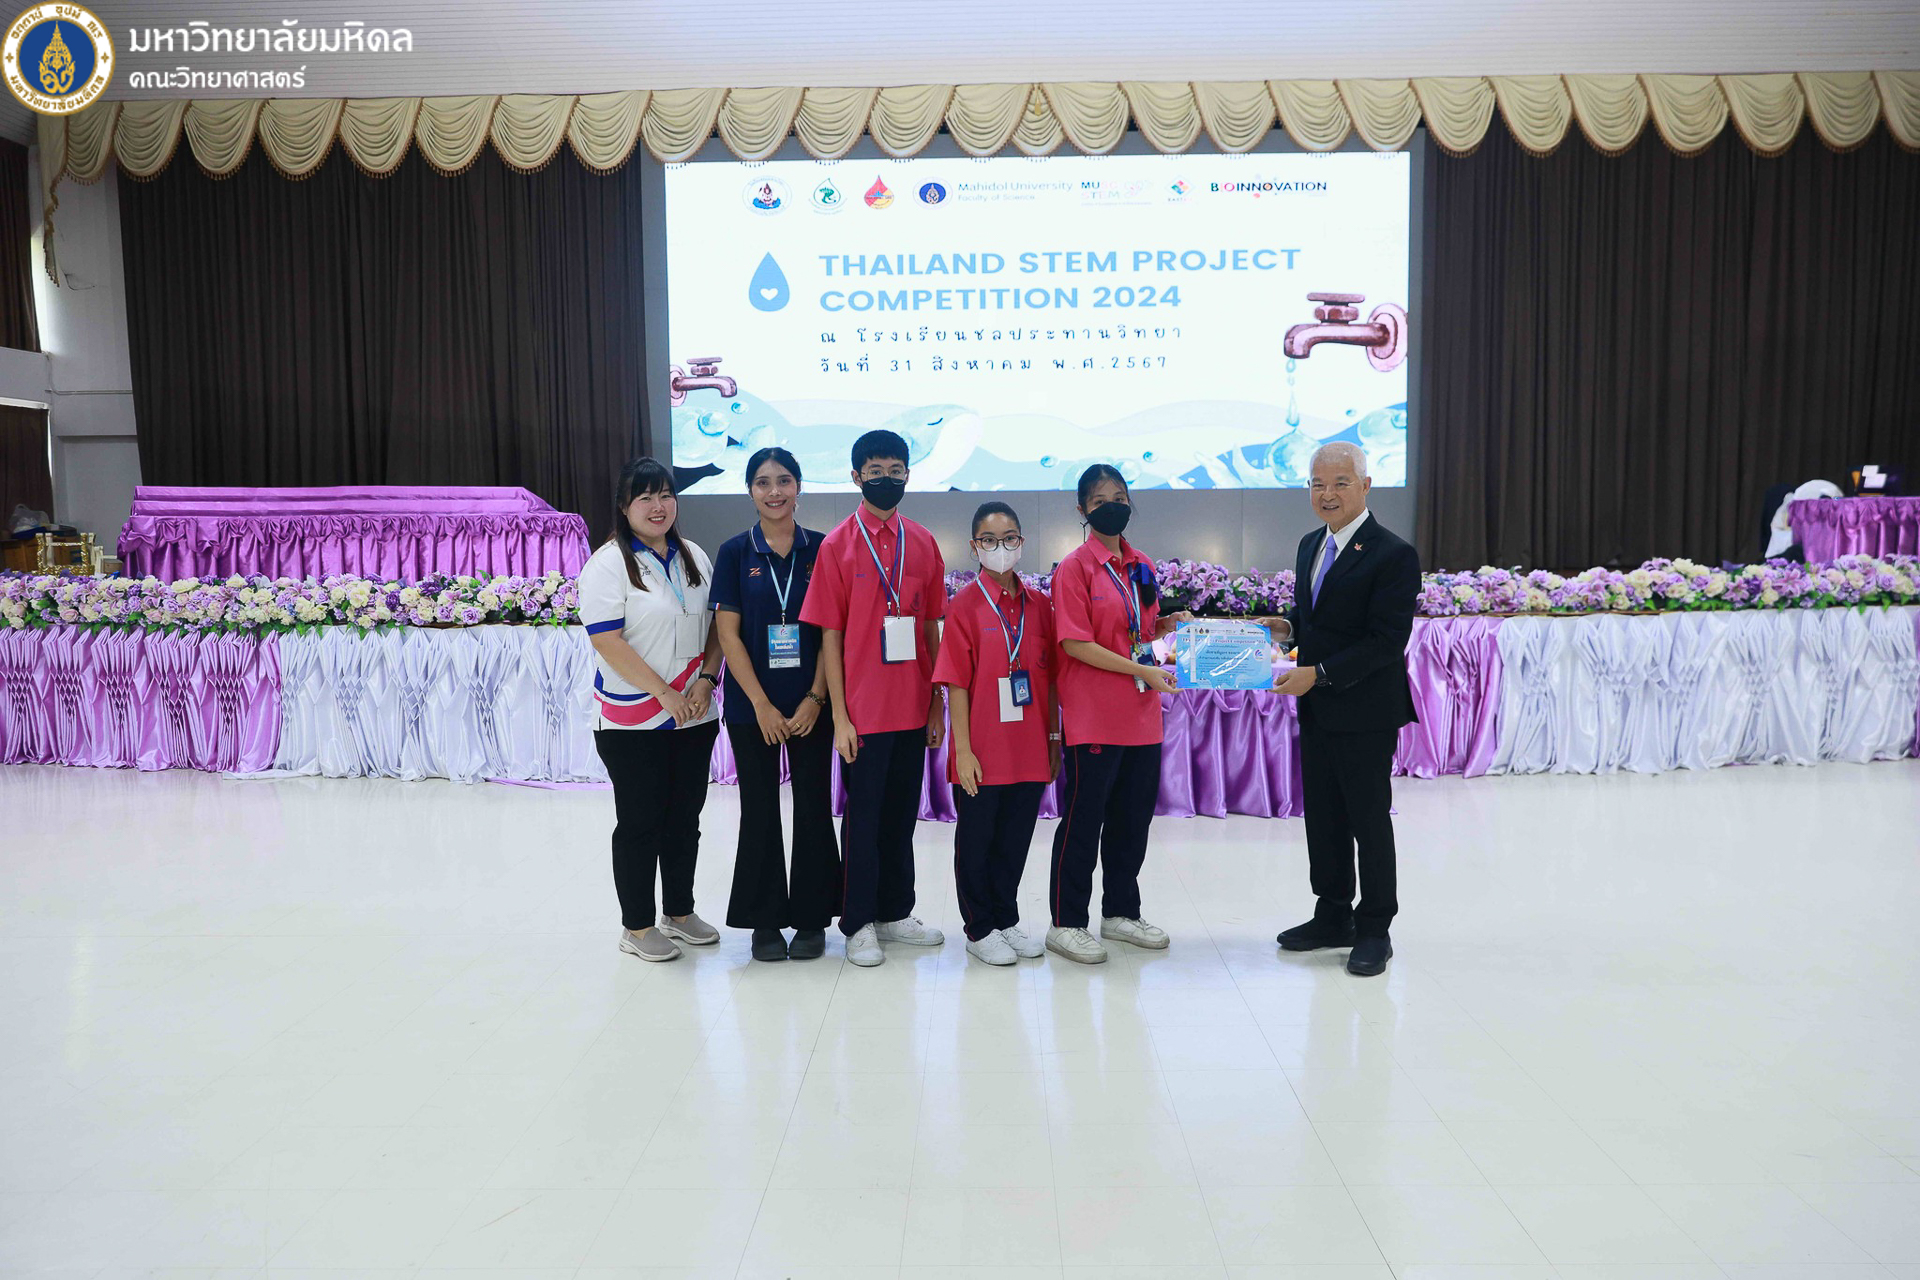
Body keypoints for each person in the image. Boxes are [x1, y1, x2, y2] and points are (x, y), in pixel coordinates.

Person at [798, 429, 948, 967]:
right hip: (862, 711)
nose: (887, 479)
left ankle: (894, 911)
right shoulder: (837, 545)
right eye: (876, 471)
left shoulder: (923, 542)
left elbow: (930, 628)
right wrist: (839, 717)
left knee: (901, 816)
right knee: (862, 819)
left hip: (912, 706)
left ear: (909, 474)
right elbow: (830, 636)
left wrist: (936, 703)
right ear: (856, 476)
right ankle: (858, 921)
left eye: (896, 470)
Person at [1272, 442, 1420, 977]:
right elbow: (1316, 617)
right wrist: (1285, 627)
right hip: (1317, 709)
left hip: (1365, 712)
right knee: (1324, 817)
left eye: (1339, 483)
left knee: (1367, 819)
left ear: (1365, 485)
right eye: (1318, 484)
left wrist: (1319, 673)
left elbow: (1386, 641)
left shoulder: (1393, 553)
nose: (1327, 494)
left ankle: (1375, 926)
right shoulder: (1311, 543)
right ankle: (1332, 914)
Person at [579, 456, 725, 963]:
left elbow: (717, 626)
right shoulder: (607, 564)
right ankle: (637, 926)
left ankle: (679, 912)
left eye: (665, 495)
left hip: (694, 712)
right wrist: (664, 693)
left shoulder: (694, 555)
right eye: (645, 497)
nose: (657, 506)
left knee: (685, 819)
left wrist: (707, 679)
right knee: (641, 822)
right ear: (624, 507)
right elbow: (607, 641)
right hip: (633, 719)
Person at [1046, 464, 1188, 964]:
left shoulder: (1141, 564)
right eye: (1100, 500)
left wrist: (1166, 625)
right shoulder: (1075, 568)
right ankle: (1066, 922)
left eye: (1121, 497)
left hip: (1141, 714)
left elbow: (1137, 630)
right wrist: (1140, 668)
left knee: (1132, 822)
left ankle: (1121, 912)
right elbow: (1075, 643)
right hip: (1094, 716)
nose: (1113, 506)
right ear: (1082, 509)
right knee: (1083, 823)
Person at [710, 447, 837, 963]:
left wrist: (816, 698)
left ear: (799, 486)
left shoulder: (823, 549)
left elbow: (833, 633)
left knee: (813, 808)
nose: (774, 491)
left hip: (812, 706)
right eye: (763, 482)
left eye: (784, 480)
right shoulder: (734, 552)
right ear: (750, 491)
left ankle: (811, 919)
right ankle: (763, 921)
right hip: (752, 709)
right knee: (759, 811)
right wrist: (760, 704)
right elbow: (728, 634)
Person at [930, 501, 1059, 966]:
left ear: (1021, 542)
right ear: (974, 546)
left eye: (1008, 539)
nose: (999, 547)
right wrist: (962, 751)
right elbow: (956, 684)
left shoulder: (1040, 606)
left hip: (1029, 747)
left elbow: (1051, 682)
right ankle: (979, 927)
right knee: (977, 842)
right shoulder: (964, 606)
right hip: (981, 748)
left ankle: (1006, 919)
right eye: (989, 540)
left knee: (1014, 840)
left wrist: (1053, 741)